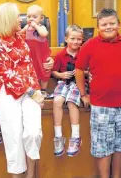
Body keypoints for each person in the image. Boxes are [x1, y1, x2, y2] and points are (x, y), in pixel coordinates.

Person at [75, 8, 121, 178]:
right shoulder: (89, 45)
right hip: (101, 106)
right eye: (104, 24)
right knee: (103, 147)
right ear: (98, 27)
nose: (108, 27)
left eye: (112, 23)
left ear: (119, 25)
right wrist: (83, 94)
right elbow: (79, 70)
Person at [0, 2, 44, 178]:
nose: (22, 19)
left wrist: (37, 89)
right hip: (7, 94)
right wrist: (32, 92)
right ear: (7, 19)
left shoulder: (19, 36)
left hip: (31, 90)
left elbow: (30, 63)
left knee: (33, 133)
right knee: (15, 142)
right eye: (18, 16)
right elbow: (6, 74)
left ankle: (31, 175)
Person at [52, 24, 84, 157]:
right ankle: (58, 137)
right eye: (72, 38)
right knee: (57, 101)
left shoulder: (84, 53)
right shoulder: (60, 55)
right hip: (64, 83)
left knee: (71, 102)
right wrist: (60, 75)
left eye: (79, 39)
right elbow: (53, 71)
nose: (76, 42)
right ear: (66, 39)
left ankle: (75, 137)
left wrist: (81, 73)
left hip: (78, 84)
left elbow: (91, 70)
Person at [20, 5, 52, 97]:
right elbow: (20, 33)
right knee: (33, 70)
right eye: (29, 16)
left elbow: (44, 34)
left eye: (34, 17)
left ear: (41, 18)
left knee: (44, 71)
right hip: (30, 54)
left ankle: (44, 90)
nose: (31, 19)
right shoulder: (27, 27)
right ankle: (35, 88)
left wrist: (36, 26)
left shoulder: (41, 27)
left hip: (41, 54)